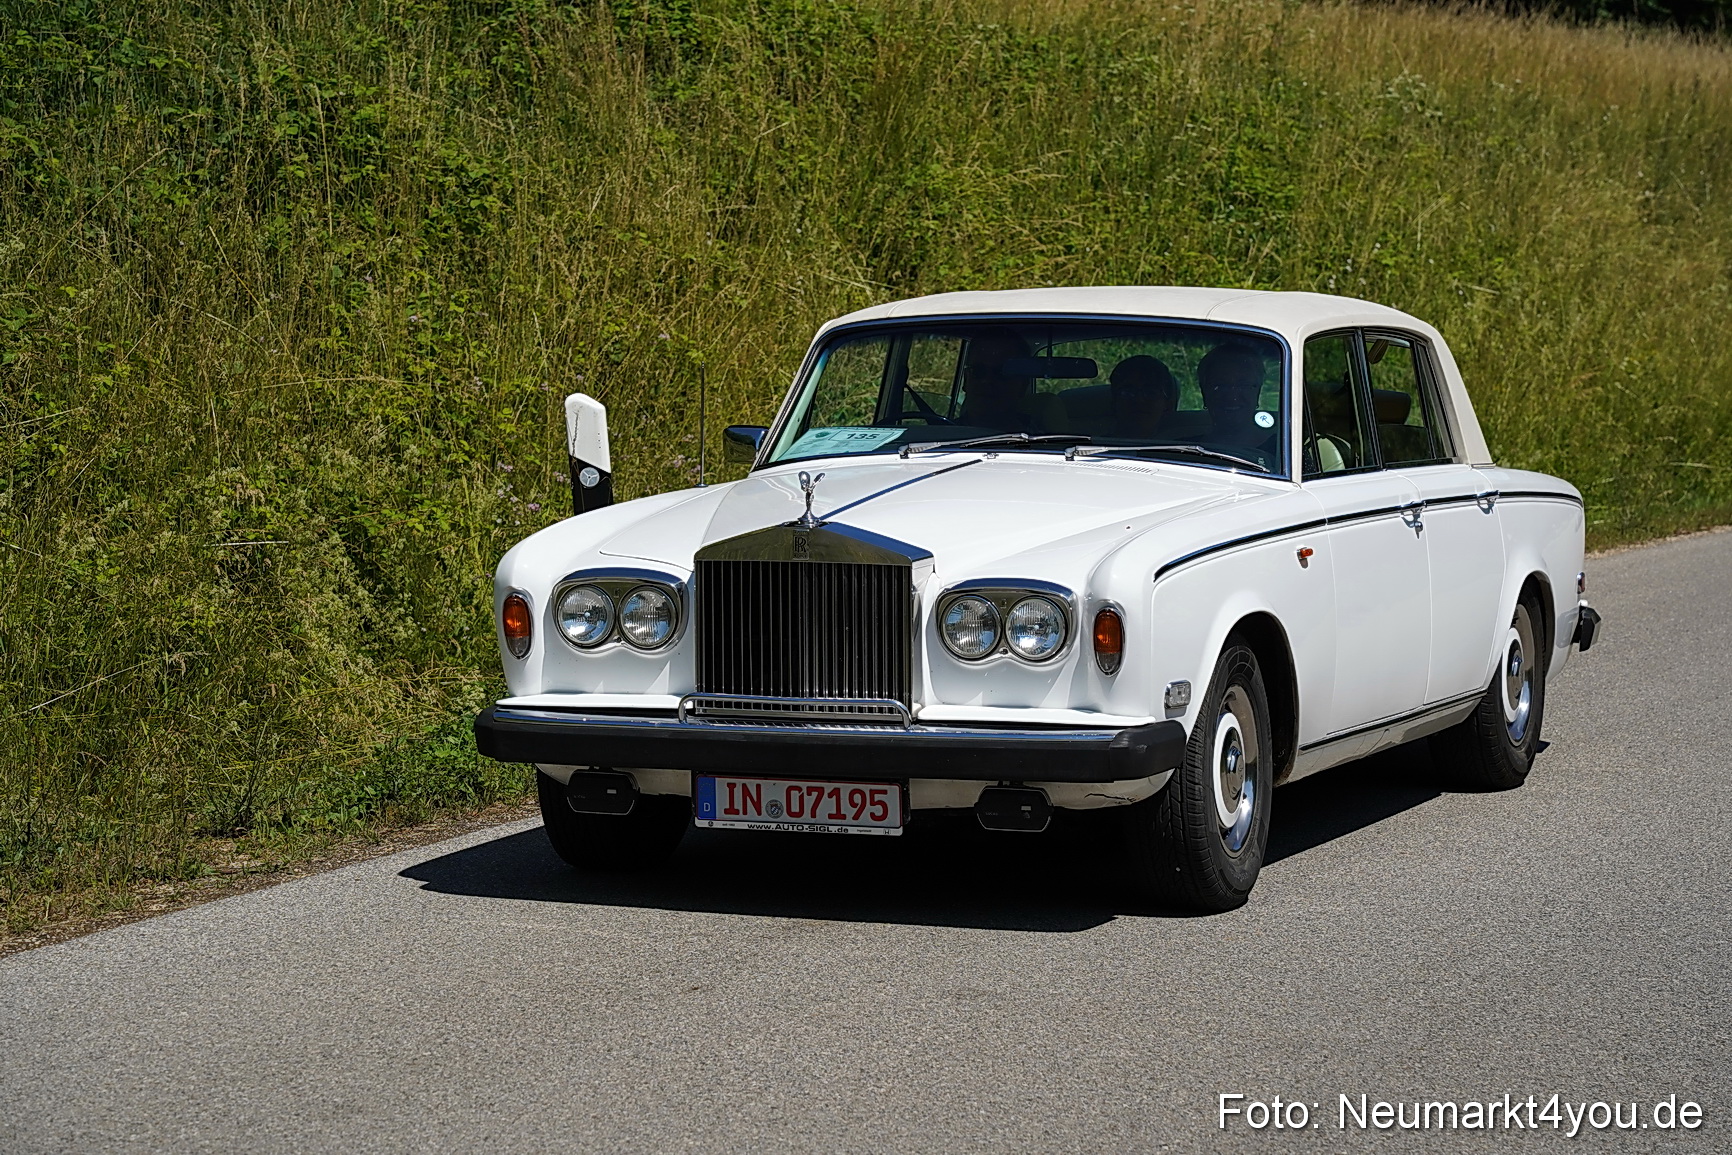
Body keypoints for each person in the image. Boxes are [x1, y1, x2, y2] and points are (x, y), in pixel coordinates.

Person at [1198, 342, 1278, 461]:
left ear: (1258, 391)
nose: (1232, 396)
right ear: (1204, 392)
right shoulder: (1180, 451)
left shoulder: (1285, 452)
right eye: (1220, 385)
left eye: (1244, 385)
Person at [1108, 355, 1177, 440]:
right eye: (1128, 392)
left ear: (1168, 405)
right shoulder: (1095, 445)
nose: (1139, 400)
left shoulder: (1184, 446)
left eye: (1150, 393)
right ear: (1114, 401)